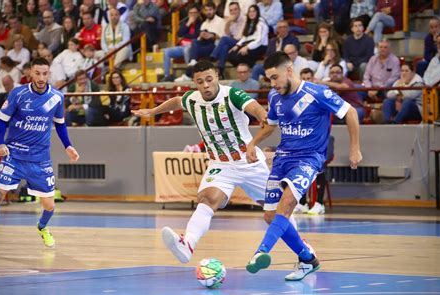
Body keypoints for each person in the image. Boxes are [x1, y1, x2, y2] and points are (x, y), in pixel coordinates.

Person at [132, 60, 302, 264]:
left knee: (276, 210)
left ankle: (303, 250)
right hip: (220, 165)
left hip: (249, 161)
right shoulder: (192, 99)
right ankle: (188, 244)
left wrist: (262, 115)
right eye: (200, 81)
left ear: (217, 77)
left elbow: (255, 109)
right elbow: (177, 101)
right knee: (207, 199)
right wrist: (152, 112)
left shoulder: (232, 95)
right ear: (195, 83)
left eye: (209, 80)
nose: (205, 85)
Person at [245, 51, 362, 281]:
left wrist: (354, 147)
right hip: (282, 158)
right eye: (269, 79)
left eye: (275, 77)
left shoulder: (316, 93)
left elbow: (350, 112)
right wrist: (253, 143)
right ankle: (307, 258)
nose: (273, 83)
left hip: (309, 158)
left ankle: (261, 251)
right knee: (270, 216)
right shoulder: (274, 96)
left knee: (287, 204)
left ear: (289, 71)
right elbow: (270, 125)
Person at [0, 57, 80, 254]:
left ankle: (42, 227)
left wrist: (68, 146)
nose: (41, 77)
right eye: (37, 73)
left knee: (49, 205)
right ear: (30, 73)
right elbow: (2, 121)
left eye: (45, 73)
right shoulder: (18, 94)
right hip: (14, 156)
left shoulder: (57, 97)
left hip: (40, 159)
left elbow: (60, 124)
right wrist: (1, 143)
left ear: (49, 74)